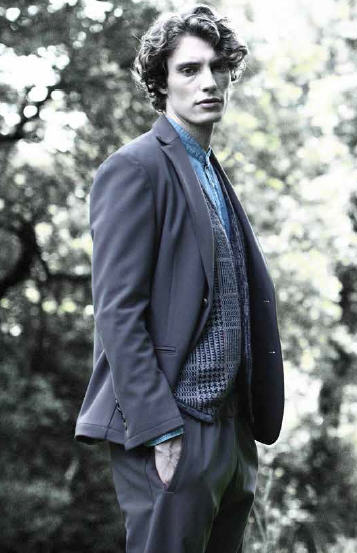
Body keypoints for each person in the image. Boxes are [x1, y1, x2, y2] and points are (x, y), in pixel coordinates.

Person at [73, 4, 285, 552]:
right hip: (173, 431)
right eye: (189, 69)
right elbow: (117, 313)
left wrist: (241, 434)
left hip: (233, 433)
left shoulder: (210, 170)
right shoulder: (134, 168)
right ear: (161, 83)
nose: (208, 81)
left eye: (218, 67)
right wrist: (162, 430)